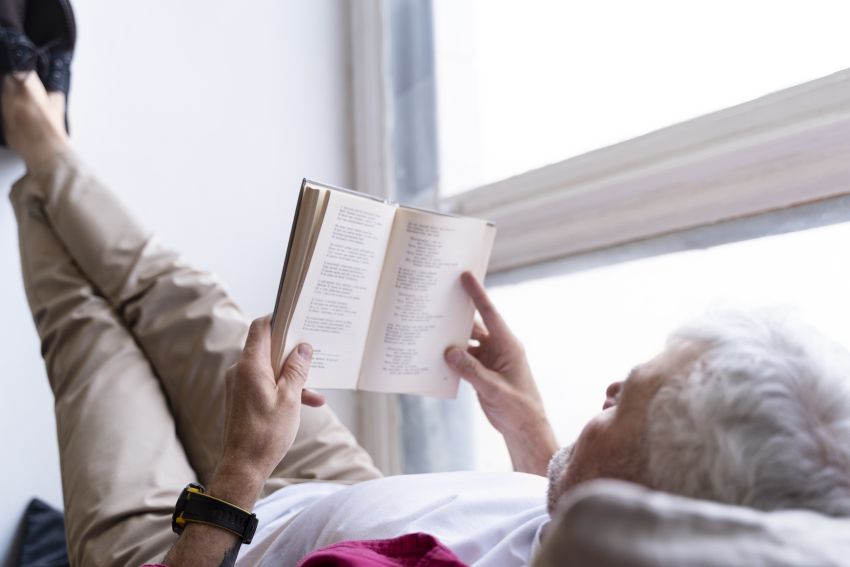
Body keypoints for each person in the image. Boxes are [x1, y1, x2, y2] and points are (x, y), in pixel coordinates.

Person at [6, 3, 850, 566]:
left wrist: (237, 468)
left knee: (91, 335)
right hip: (361, 496)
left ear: (652, 506)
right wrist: (535, 430)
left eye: (622, 406)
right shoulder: (605, 525)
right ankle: (49, 138)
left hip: (204, 536)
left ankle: (33, 126)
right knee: (189, 300)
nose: (612, 383)